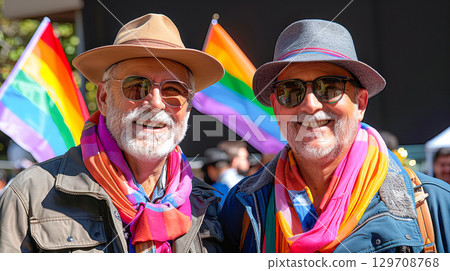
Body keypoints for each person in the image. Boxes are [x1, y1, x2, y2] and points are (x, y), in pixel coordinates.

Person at [219, 19, 450, 253]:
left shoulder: (433, 205)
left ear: (360, 103)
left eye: (329, 87)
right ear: (276, 107)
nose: (309, 105)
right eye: (290, 91)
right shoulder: (242, 207)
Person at [0, 13, 225, 253]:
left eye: (174, 91)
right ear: (104, 99)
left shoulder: (209, 206)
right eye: (137, 86)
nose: (157, 103)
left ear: (188, 108)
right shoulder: (30, 195)